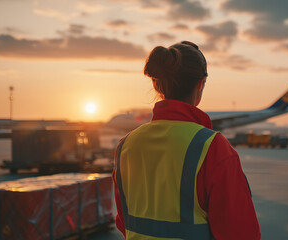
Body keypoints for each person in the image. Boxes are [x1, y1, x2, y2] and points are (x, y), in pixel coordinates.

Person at [112, 41, 261, 240]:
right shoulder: (212, 147)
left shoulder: (125, 147)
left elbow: (124, 222)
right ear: (200, 84)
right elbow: (241, 233)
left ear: (156, 85)